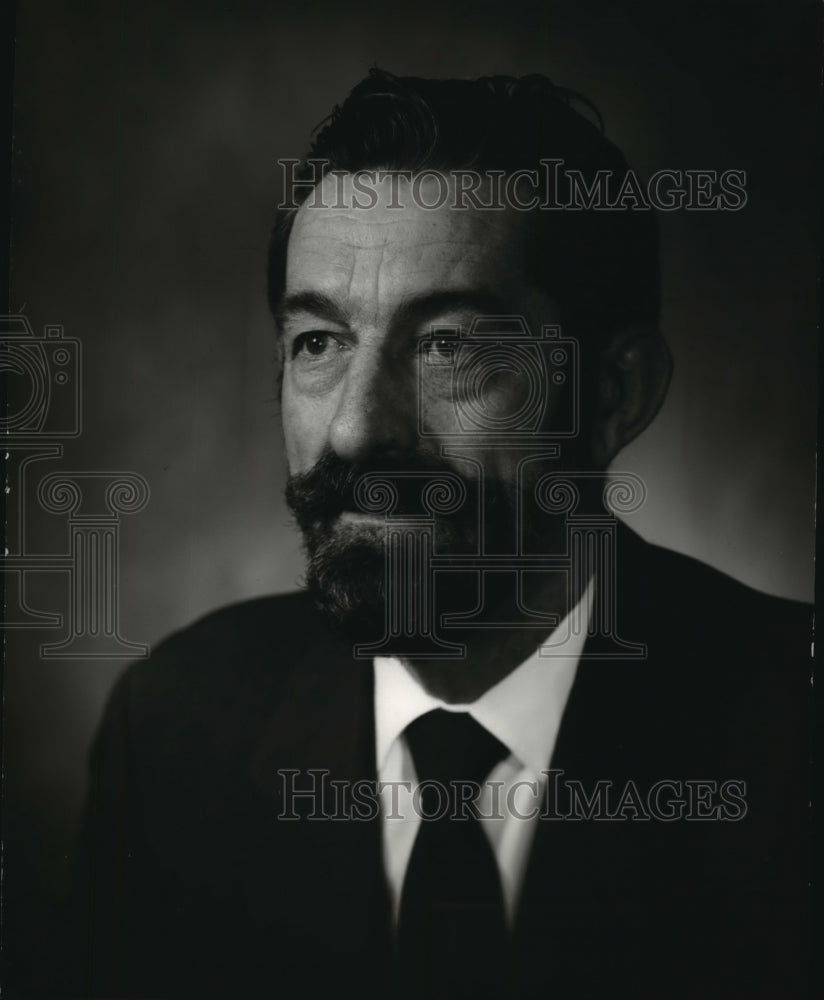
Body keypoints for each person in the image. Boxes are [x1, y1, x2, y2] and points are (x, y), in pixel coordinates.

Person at [65, 70, 810, 999]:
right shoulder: (175, 733)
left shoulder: (794, 737)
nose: (355, 431)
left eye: (449, 343)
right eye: (319, 343)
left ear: (614, 394)